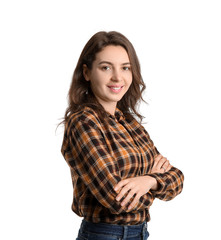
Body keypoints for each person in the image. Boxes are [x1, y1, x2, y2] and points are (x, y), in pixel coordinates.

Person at [61, 31, 184, 240]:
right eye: (106, 67)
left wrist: (148, 181)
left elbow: (177, 179)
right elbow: (116, 199)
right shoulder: (83, 122)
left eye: (125, 68)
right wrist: (156, 181)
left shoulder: (129, 123)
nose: (117, 77)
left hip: (140, 233)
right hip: (104, 235)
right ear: (87, 72)